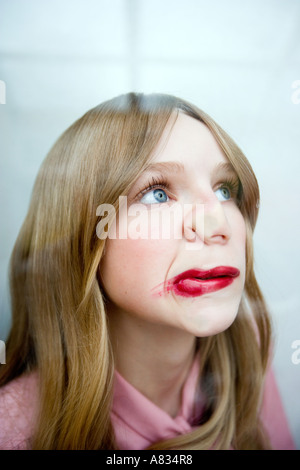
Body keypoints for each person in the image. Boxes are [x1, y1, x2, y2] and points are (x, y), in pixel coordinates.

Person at [0, 93, 295, 450]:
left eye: (224, 190)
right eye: (157, 193)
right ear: (80, 238)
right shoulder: (13, 435)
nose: (219, 223)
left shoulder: (250, 349)